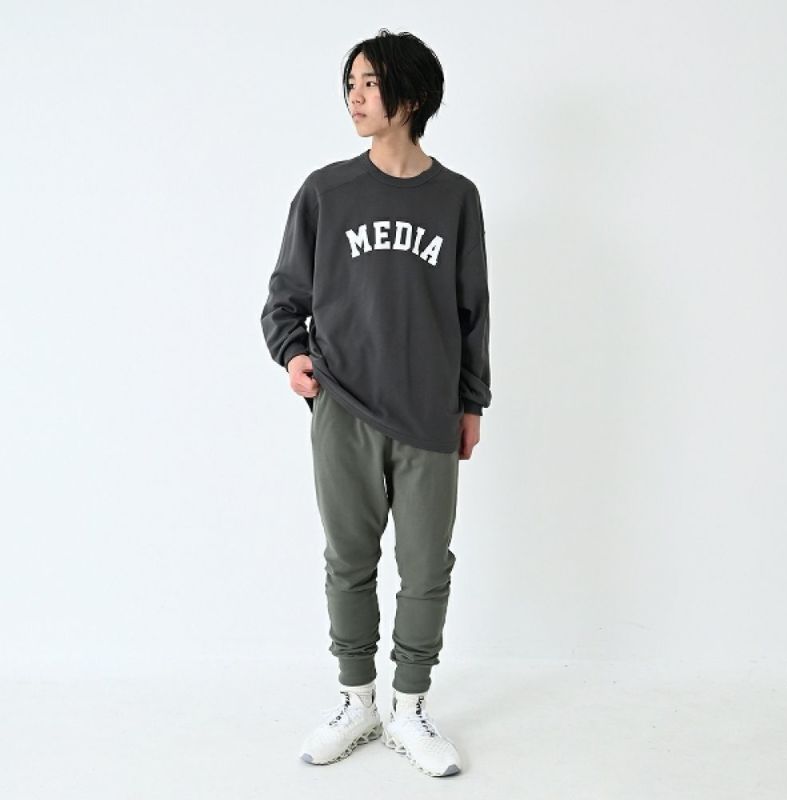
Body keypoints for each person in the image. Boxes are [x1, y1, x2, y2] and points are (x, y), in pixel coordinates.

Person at [259, 29, 491, 778]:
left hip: (428, 414)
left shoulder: (456, 198)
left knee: (426, 567)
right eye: (350, 84)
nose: (354, 97)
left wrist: (472, 402)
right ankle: (357, 700)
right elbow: (284, 298)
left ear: (411, 96)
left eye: (369, 83)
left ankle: (409, 707)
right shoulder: (326, 191)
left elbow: (472, 310)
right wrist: (294, 354)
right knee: (349, 561)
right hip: (345, 410)